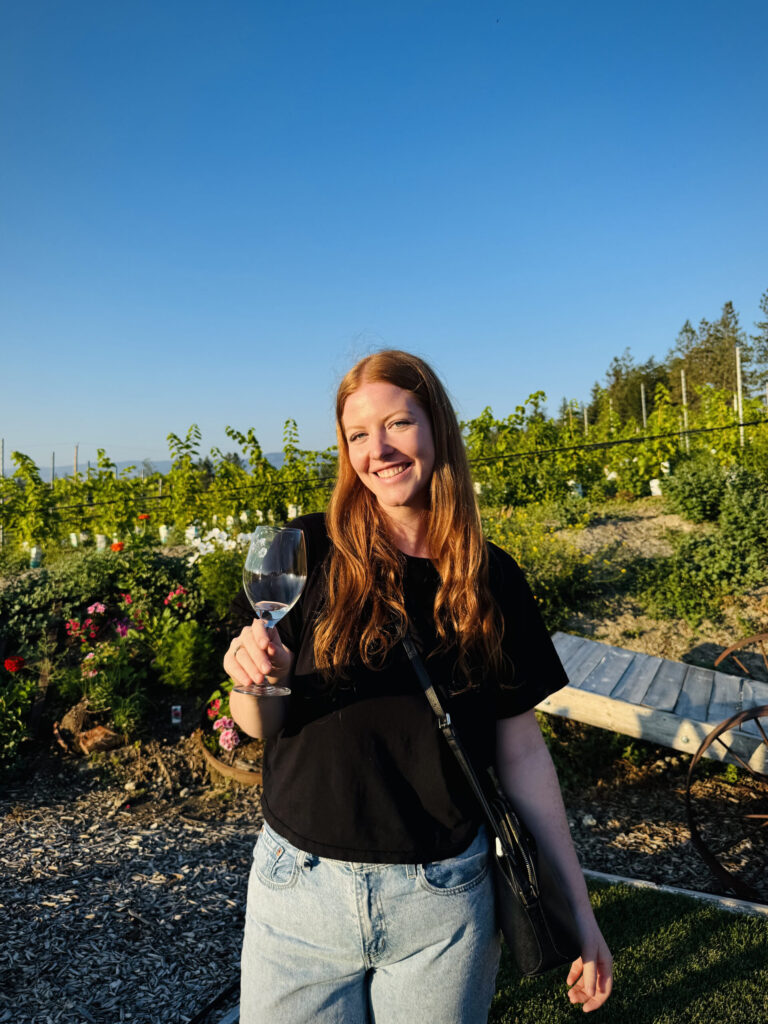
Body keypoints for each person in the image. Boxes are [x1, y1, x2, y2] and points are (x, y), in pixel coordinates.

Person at [224, 350, 612, 1024]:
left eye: (398, 423)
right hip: (299, 891)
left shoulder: (494, 579)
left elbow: (521, 752)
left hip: (444, 903)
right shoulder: (303, 552)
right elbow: (260, 727)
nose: (378, 450)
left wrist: (579, 911)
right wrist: (258, 681)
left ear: (436, 428)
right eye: (357, 435)